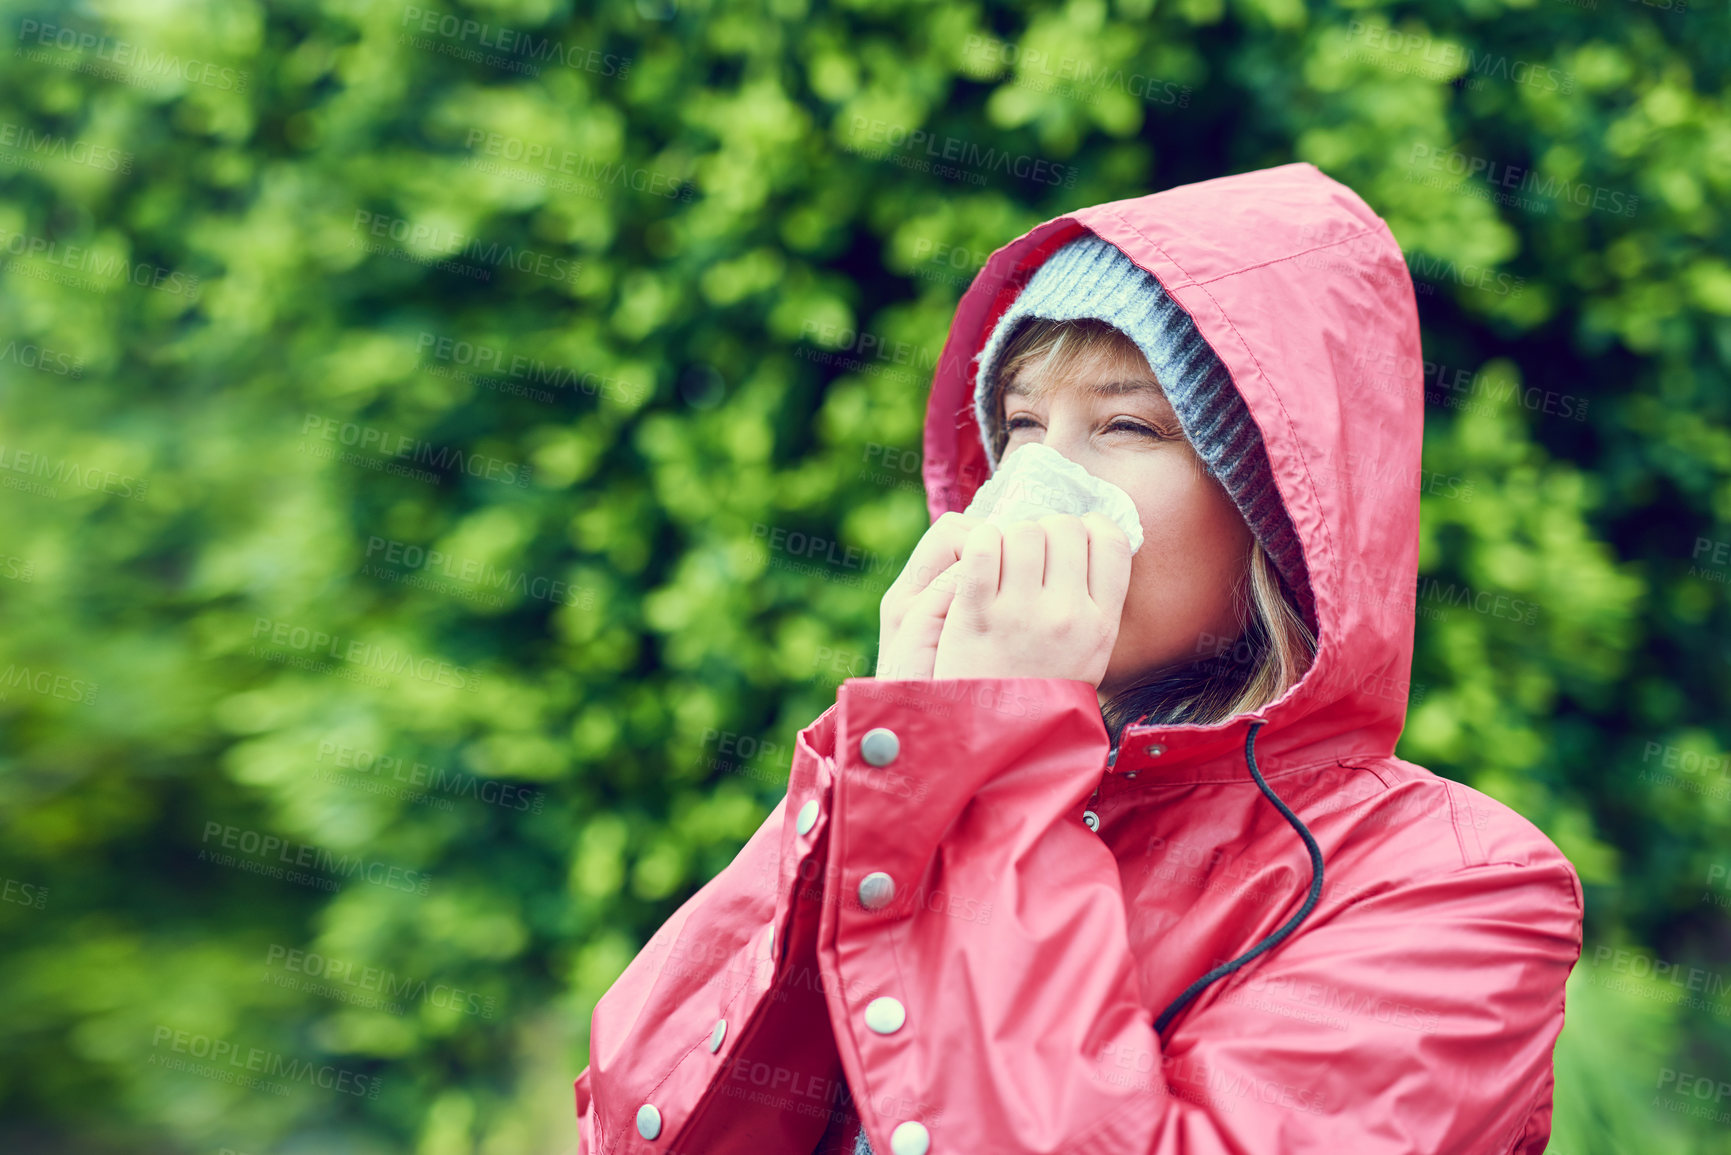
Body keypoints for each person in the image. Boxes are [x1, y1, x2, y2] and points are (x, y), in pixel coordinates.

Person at [571, 161, 1584, 1155]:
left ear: (1279, 514)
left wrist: (997, 770)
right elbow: (636, 1127)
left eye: (1128, 424)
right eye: (1019, 426)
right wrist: (880, 769)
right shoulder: (928, 785)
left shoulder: (1457, 887)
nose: (1035, 491)